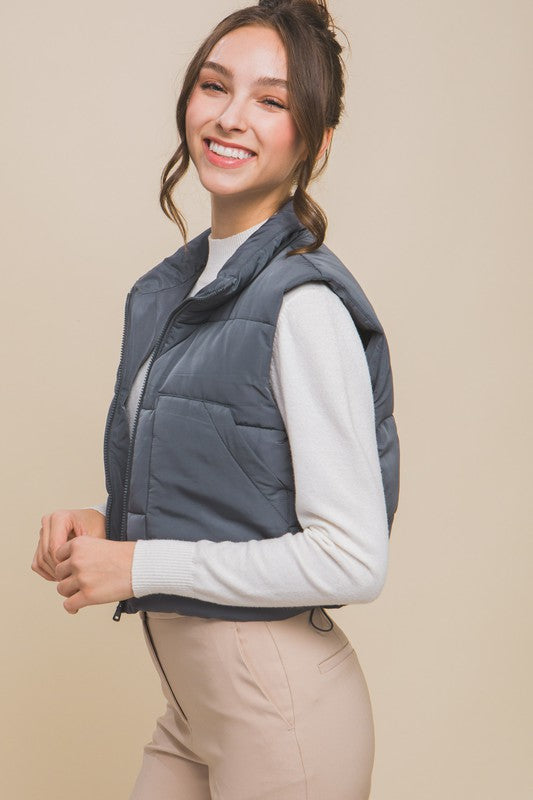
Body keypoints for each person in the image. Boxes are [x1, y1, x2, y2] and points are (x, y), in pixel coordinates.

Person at [31, 1, 400, 797]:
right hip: (194, 710)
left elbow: (354, 556)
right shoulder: (173, 291)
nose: (231, 117)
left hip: (283, 716)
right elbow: (225, 500)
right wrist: (107, 528)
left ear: (316, 140)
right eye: (214, 85)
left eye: (271, 101)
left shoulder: (301, 306)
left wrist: (137, 565)